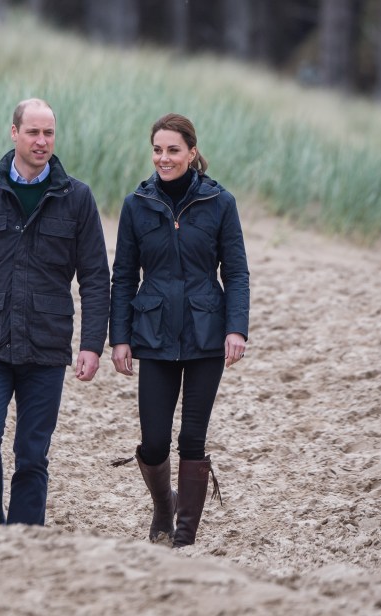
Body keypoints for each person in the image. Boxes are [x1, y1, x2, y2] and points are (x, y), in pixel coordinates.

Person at [0, 98, 110, 527]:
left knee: (32, 452)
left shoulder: (77, 198)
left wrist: (91, 345)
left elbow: (96, 278)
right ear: (14, 133)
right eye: (33, 132)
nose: (42, 141)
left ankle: (26, 538)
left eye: (49, 133)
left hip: (46, 344)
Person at [109, 113, 250, 547]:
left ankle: (184, 533)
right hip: (152, 334)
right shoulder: (137, 204)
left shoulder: (219, 202)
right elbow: (123, 275)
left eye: (173, 150)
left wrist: (236, 329)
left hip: (207, 334)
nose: (163, 158)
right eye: (157, 150)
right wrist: (120, 337)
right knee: (153, 443)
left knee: (192, 437)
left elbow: (237, 273)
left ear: (192, 152)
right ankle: (163, 507)